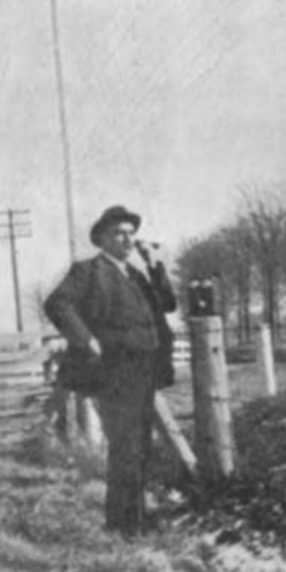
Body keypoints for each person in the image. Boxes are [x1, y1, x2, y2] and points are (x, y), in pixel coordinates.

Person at [44, 205, 177, 537]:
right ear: (101, 238)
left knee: (141, 447)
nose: (127, 238)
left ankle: (135, 519)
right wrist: (85, 339)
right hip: (115, 372)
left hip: (145, 370)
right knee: (126, 448)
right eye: (119, 232)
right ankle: (122, 526)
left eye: (131, 233)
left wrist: (153, 262)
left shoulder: (137, 274)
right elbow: (57, 303)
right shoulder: (88, 271)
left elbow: (169, 303)